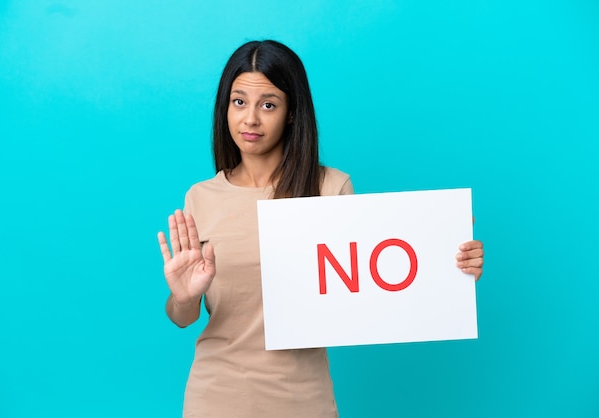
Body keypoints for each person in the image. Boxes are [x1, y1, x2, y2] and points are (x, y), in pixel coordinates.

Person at [157, 40, 484, 418]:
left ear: (292, 112)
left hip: (303, 399)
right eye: (239, 101)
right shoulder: (201, 197)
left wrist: (448, 266)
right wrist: (182, 297)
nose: (250, 119)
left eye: (268, 104)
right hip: (215, 397)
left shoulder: (331, 188)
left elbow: (372, 289)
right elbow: (183, 317)